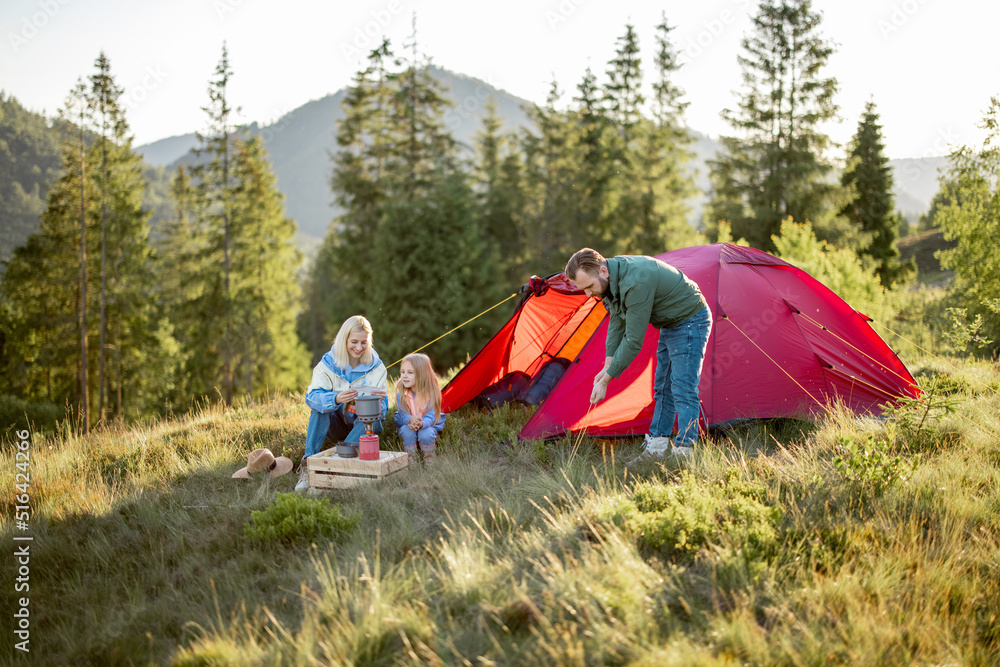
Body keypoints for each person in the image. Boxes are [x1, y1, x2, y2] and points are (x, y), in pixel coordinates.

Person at [565, 248, 712, 458]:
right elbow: (617, 322)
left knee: (682, 387)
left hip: (690, 320)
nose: (588, 294)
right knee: (663, 388)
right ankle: (657, 447)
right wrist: (607, 364)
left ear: (603, 271)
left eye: (589, 287)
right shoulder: (610, 282)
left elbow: (633, 341)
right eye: (584, 289)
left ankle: (685, 452)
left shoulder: (634, 282)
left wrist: (606, 380)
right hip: (670, 324)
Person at [297, 315, 388, 491]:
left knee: (373, 418)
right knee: (319, 408)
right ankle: (308, 466)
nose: (359, 347)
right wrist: (336, 399)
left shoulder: (377, 367)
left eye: (364, 343)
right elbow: (311, 396)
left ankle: (339, 464)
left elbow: (383, 410)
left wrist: (378, 403)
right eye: (354, 341)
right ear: (343, 339)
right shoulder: (327, 363)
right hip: (335, 424)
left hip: (362, 427)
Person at [393, 353, 446, 466]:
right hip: (408, 424)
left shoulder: (431, 394)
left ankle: (429, 460)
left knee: (426, 433)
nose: (404, 376)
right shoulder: (402, 394)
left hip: (426, 425)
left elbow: (431, 416)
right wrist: (411, 419)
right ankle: (411, 460)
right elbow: (403, 415)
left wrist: (421, 424)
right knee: (406, 431)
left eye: (410, 372)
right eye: (403, 372)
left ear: (422, 374)